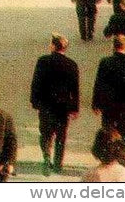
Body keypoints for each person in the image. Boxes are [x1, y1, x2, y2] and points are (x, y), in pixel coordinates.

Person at [30, 33, 80, 176]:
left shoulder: (42, 61)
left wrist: (35, 102)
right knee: (61, 135)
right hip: (62, 107)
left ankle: (46, 156)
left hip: (45, 105)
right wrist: (74, 108)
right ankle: (58, 164)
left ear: (52, 46)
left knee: (45, 133)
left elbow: (36, 83)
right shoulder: (71, 64)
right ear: (64, 48)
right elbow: (74, 89)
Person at [93, 34, 125, 158]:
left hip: (108, 106)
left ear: (113, 46)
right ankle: (122, 158)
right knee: (124, 133)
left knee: (108, 132)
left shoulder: (105, 62)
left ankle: (108, 156)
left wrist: (96, 103)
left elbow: (99, 84)